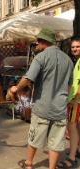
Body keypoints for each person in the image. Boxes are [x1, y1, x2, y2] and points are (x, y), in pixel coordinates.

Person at [10, 28, 73, 169]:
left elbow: (27, 78)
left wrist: (16, 88)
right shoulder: (68, 59)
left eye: (38, 41)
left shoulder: (41, 57)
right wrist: (65, 100)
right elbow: (69, 85)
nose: (37, 43)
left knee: (34, 137)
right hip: (60, 107)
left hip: (42, 106)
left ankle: (28, 164)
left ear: (45, 42)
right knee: (56, 141)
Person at [56, 37, 80, 168]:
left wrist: (75, 99)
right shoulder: (78, 60)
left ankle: (71, 158)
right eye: (73, 47)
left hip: (77, 100)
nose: (75, 49)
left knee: (72, 127)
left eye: (77, 46)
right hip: (77, 99)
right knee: (76, 126)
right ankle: (77, 150)